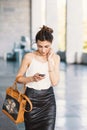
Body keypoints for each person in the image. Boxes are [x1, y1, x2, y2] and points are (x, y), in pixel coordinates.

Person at [16, 25, 60, 130]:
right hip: (31, 100)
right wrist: (31, 79)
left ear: (51, 44)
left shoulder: (55, 58)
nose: (43, 50)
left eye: (47, 46)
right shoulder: (29, 57)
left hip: (48, 101)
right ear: (36, 43)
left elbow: (54, 82)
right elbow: (18, 78)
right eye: (40, 46)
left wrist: (50, 61)